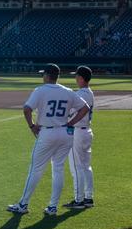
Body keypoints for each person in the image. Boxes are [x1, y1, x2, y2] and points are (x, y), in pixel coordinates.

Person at [7, 64, 91, 216]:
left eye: (43, 74)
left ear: (47, 75)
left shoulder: (40, 90)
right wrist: (71, 123)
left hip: (47, 133)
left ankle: (23, 204)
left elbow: (27, 109)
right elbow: (85, 108)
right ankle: (53, 207)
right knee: (58, 168)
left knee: (36, 169)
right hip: (65, 133)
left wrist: (32, 126)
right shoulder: (67, 91)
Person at [64, 66, 96, 210]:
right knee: (86, 167)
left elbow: (70, 112)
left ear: (82, 78)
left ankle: (79, 200)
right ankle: (88, 198)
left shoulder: (80, 94)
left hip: (77, 133)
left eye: (77, 76)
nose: (75, 78)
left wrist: (69, 122)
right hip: (86, 131)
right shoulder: (89, 92)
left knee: (76, 168)